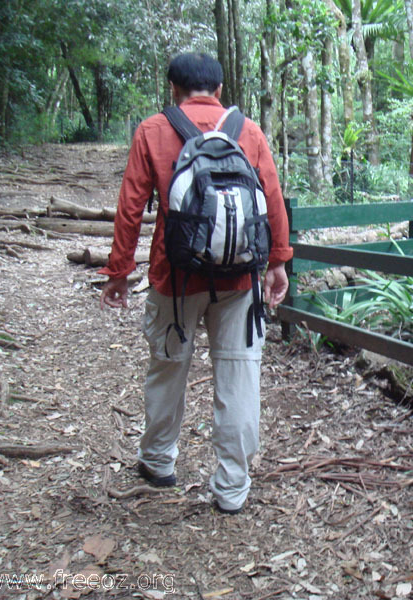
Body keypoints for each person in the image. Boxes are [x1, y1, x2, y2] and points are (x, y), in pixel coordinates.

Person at [99, 52, 292, 514]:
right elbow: (272, 199)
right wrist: (278, 263)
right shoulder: (248, 131)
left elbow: (130, 207)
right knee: (239, 376)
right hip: (240, 279)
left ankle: (159, 461)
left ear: (173, 88)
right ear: (220, 90)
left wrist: (119, 272)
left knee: (168, 368)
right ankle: (231, 488)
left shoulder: (152, 130)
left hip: (175, 276)